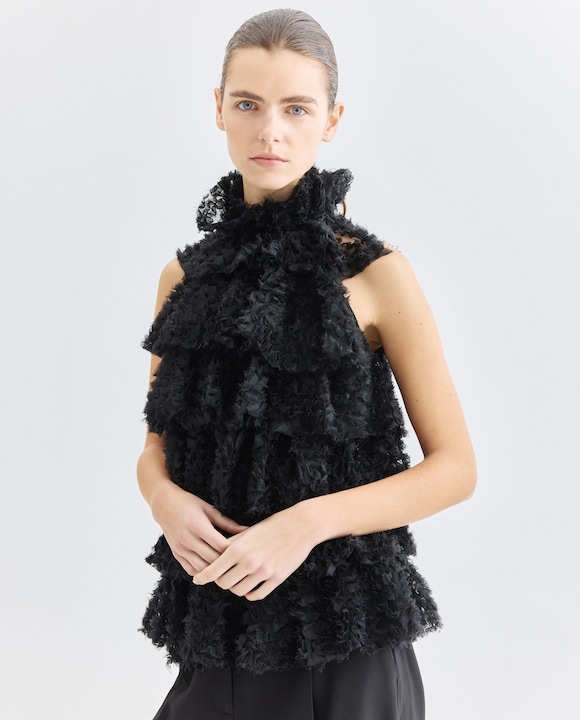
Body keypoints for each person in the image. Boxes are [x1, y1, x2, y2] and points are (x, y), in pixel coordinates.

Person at [137, 8, 477, 720]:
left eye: (296, 108)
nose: (271, 131)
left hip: (345, 647)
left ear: (332, 119)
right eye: (248, 104)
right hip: (217, 630)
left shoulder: (377, 274)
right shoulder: (181, 278)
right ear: (218, 109)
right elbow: (156, 445)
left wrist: (306, 524)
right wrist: (163, 499)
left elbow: (455, 469)